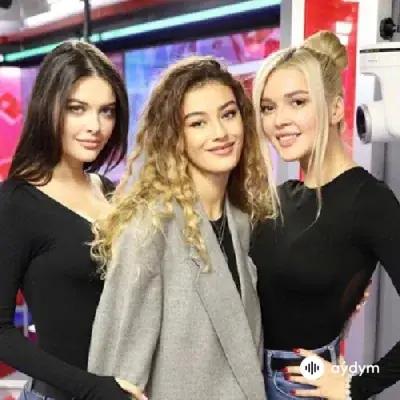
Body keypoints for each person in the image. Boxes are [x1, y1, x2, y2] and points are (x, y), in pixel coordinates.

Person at [88, 56, 278, 400]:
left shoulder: (241, 221)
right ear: (174, 137)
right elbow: (117, 375)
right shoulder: (150, 227)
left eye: (228, 114)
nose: (220, 133)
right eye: (198, 123)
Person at [251, 30, 400, 399]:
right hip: (246, 377)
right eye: (268, 108)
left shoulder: (369, 200)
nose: (279, 120)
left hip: (302, 385)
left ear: (335, 109)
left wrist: (356, 386)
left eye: (297, 102)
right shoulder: (278, 198)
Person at [0, 40, 142, 400]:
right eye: (77, 109)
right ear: (49, 107)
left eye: (106, 111)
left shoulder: (110, 192)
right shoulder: (16, 202)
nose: (95, 126)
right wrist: (93, 388)